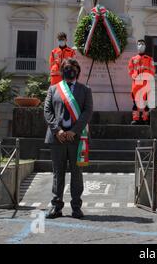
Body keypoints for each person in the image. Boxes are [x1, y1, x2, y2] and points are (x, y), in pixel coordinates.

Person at [44, 58, 93, 219]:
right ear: (62, 70)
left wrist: (74, 131)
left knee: (76, 173)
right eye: (66, 68)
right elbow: (47, 111)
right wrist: (57, 130)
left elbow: (87, 112)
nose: (69, 71)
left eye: (72, 68)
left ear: (77, 71)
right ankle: (56, 206)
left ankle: (76, 207)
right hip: (57, 138)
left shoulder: (85, 90)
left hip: (76, 138)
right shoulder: (53, 89)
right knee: (58, 173)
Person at [128, 39, 155, 125]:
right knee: (135, 103)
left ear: (145, 46)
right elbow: (130, 70)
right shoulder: (133, 59)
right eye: (139, 44)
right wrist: (135, 77)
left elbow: (152, 71)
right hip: (136, 84)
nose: (141, 45)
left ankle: (145, 119)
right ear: (137, 46)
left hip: (146, 84)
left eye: (142, 44)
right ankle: (135, 119)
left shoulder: (149, 59)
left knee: (145, 103)